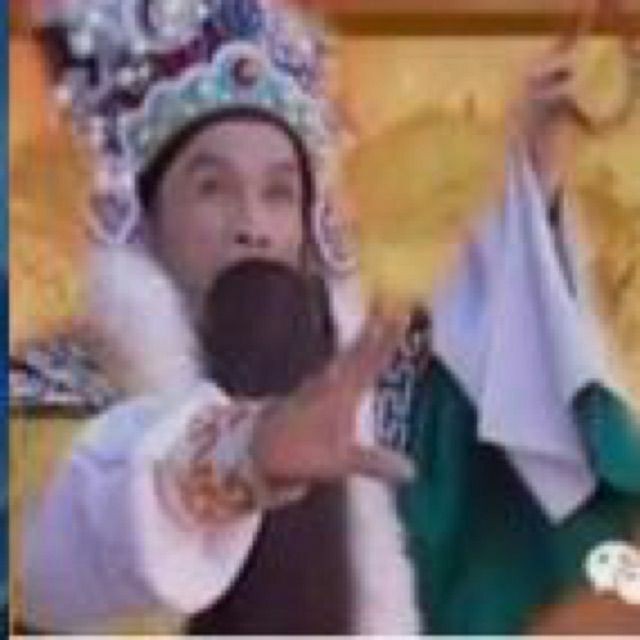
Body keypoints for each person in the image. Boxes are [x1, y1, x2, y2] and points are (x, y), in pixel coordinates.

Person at [20, 0, 640, 635]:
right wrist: (239, 458)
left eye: (279, 194)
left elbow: (516, 436)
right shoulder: (61, 378)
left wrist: (533, 184)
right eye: (212, 188)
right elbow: (46, 555)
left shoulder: (372, 395)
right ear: (145, 215)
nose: (252, 226)